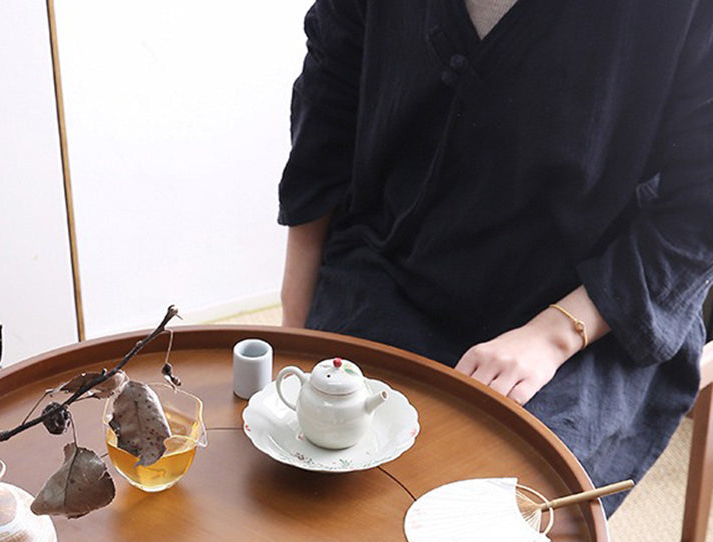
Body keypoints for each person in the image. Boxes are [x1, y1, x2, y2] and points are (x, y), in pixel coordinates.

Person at [278, 0, 713, 513]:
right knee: (316, 466)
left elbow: (697, 212)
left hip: (595, 303)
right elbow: (327, 113)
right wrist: (294, 319)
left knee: (488, 507)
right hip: (392, 263)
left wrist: (552, 335)